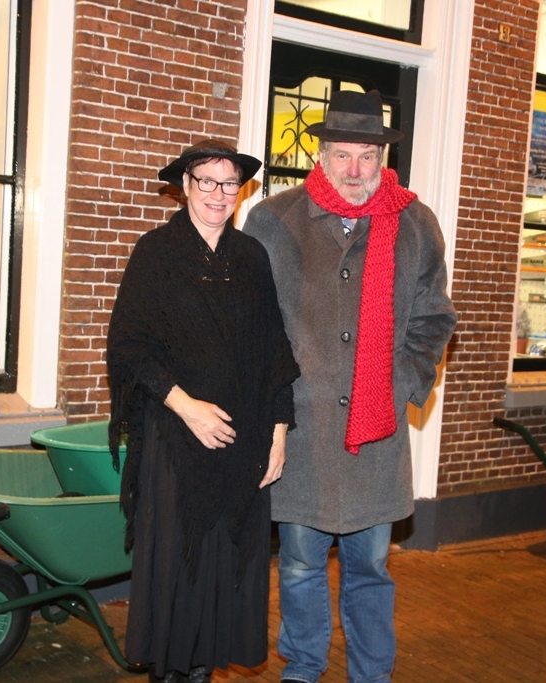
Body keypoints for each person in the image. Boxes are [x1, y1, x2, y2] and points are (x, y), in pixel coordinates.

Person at [244, 90, 458, 683]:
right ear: (321, 155)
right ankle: (303, 668)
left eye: (367, 156)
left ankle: (371, 674)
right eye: (343, 155)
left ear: (382, 159)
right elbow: (254, 326)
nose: (355, 170)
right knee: (298, 566)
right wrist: (271, 406)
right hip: (302, 433)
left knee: (370, 570)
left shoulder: (415, 223)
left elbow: (434, 318)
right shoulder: (273, 220)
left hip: (377, 434)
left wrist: (398, 383)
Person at [106, 139, 300, 683]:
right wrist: (188, 408)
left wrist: (278, 433)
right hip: (176, 442)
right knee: (178, 565)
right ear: (185, 186)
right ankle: (170, 673)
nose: (219, 193)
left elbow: (275, 351)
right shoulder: (156, 253)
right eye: (207, 181)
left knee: (224, 567)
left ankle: (201, 673)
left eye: (229, 183)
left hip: (242, 442)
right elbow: (129, 347)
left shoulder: (252, 257)